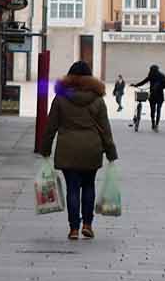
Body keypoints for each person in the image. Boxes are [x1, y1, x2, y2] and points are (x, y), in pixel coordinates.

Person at [42, 61, 119, 240]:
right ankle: (88, 225)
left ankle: (74, 229)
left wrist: (45, 149)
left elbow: (50, 126)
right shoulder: (97, 100)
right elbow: (105, 129)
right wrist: (111, 152)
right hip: (91, 149)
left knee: (73, 189)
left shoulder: (60, 99)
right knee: (89, 185)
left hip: (68, 148)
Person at [133, 64, 165, 133]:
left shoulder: (152, 75)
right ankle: (156, 125)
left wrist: (136, 85)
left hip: (154, 96)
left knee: (153, 110)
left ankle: (154, 124)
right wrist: (135, 84)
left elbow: (143, 82)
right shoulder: (162, 76)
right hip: (160, 95)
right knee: (158, 110)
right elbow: (164, 86)